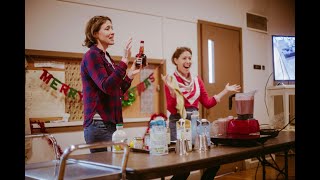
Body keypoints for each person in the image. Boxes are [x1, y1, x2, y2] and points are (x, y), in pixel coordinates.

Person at [162, 47, 241, 180]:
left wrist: (225, 90)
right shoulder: (171, 80)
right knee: (183, 168)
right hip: (178, 122)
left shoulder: (196, 80)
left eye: (189, 58)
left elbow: (208, 103)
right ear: (176, 61)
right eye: (184, 58)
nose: (188, 61)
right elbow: (171, 108)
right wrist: (171, 92)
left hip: (195, 121)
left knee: (214, 160)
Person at [81, 15, 141, 153]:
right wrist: (124, 60)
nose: (112, 32)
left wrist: (129, 75)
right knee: (110, 172)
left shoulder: (106, 57)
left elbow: (116, 91)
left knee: (118, 168)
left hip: (111, 123)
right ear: (95, 33)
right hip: (99, 124)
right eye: (107, 28)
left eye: (112, 28)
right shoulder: (92, 55)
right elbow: (106, 86)